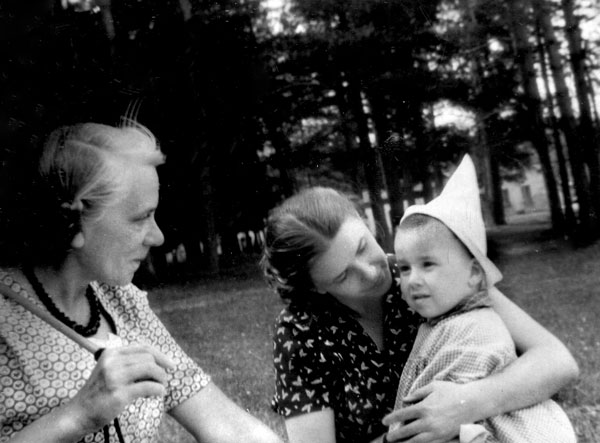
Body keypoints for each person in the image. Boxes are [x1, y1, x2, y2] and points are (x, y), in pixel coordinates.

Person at [0, 121, 282, 443]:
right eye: (140, 218)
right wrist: (77, 416)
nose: (158, 237)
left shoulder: (120, 300)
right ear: (72, 222)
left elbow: (225, 423)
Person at [260, 186, 579, 443]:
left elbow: (557, 361)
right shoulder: (300, 332)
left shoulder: (426, 274)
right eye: (344, 275)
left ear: (365, 221)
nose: (370, 272)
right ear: (315, 287)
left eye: (362, 247)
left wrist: (467, 403)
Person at [392, 155, 575, 443]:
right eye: (404, 268)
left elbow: (438, 421)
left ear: (475, 274)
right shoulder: (447, 319)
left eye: (428, 264)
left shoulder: (470, 330)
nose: (412, 279)